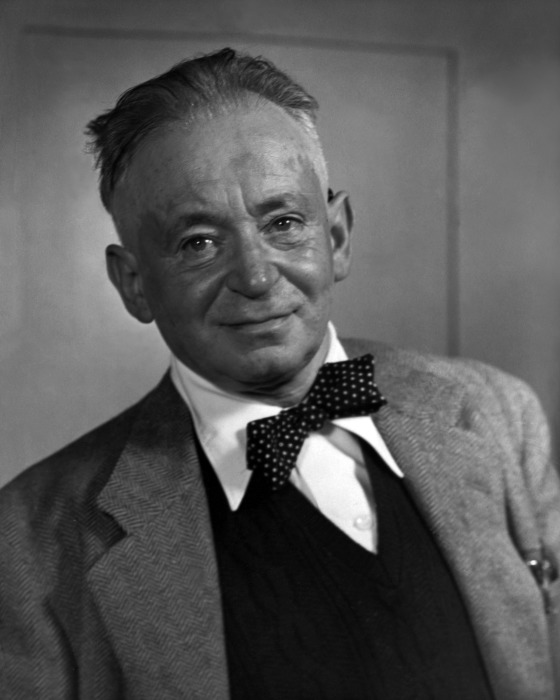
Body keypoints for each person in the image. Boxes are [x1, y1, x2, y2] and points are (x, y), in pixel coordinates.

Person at [0, 47, 559, 700]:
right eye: (198, 242)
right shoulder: (31, 542)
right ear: (134, 283)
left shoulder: (497, 415)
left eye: (284, 223)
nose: (257, 277)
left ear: (337, 237)